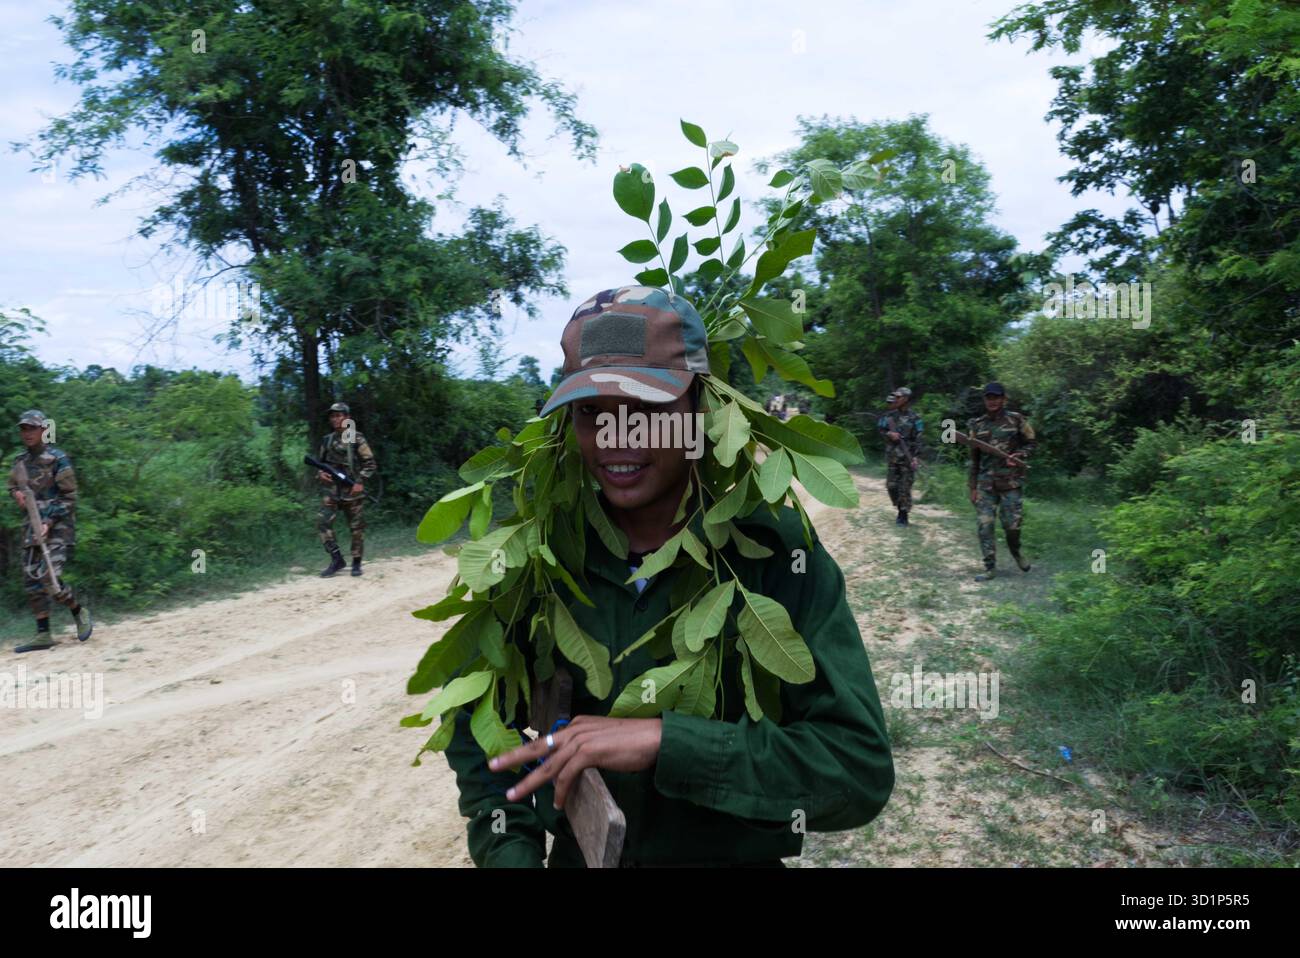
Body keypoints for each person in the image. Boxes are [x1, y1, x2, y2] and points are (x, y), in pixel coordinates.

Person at [443, 285, 894, 867]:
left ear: (698, 411)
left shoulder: (775, 557)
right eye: (590, 414)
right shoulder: (539, 558)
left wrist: (668, 743)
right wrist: (512, 853)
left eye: (645, 411)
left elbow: (856, 770)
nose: (616, 440)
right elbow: (477, 733)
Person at [7, 410, 92, 651]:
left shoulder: (58, 458)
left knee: (49, 577)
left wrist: (49, 521)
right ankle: (43, 634)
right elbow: (12, 486)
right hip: (31, 527)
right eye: (24, 429)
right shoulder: (20, 462)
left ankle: (78, 610)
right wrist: (17, 495)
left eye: (32, 428)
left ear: (44, 430)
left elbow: (70, 497)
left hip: (58, 527)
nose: (27, 433)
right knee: (32, 581)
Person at [966, 382, 1035, 581]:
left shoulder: (1017, 420)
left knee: (1012, 526)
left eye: (996, 397)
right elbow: (974, 460)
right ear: (985, 400)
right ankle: (989, 567)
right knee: (984, 525)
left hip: (1011, 483)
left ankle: (1016, 552)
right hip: (986, 484)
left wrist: (1020, 454)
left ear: (1004, 399)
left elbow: (1031, 443)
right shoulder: (977, 425)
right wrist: (972, 487)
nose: (992, 401)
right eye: (989, 397)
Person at [314, 402, 377, 578]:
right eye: (333, 416)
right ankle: (336, 559)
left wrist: (360, 481)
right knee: (322, 522)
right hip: (332, 492)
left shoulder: (356, 438)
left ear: (347, 418)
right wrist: (321, 474)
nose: (335, 419)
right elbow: (321, 464)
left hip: (352, 492)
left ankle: (356, 562)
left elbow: (370, 464)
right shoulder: (327, 440)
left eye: (339, 415)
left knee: (356, 528)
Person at [877, 387, 922, 525]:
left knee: (905, 487)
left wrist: (916, 457)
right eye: (895, 397)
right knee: (891, 486)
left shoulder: (916, 418)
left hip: (907, 459)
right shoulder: (889, 416)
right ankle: (900, 506)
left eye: (899, 397)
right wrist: (889, 434)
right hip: (892, 458)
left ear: (906, 399)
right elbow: (881, 430)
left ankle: (903, 514)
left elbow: (919, 439)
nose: (896, 399)